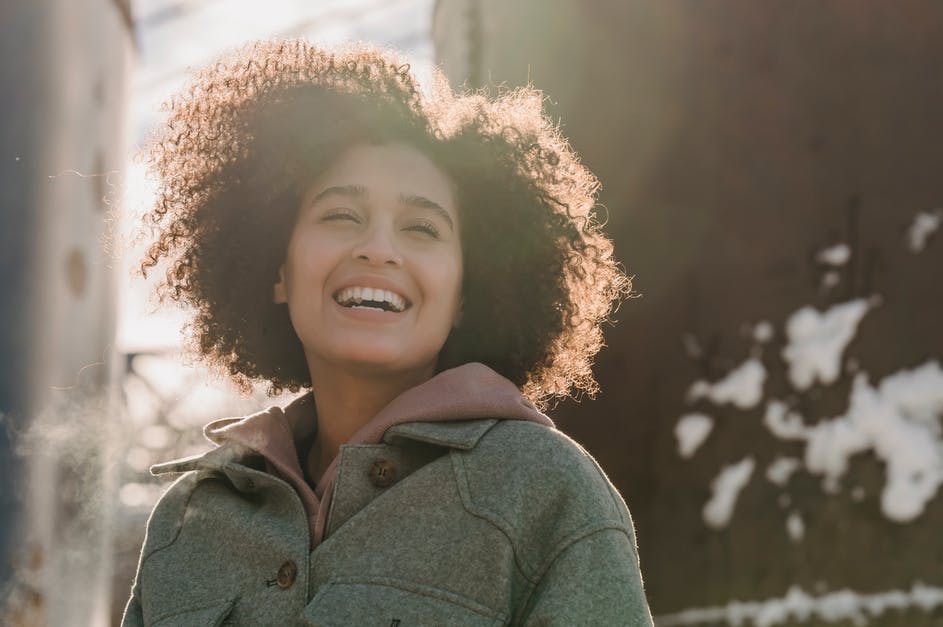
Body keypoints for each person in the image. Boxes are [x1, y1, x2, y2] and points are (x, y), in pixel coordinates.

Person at [121, 39, 649, 625]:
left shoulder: (546, 490)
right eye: (341, 215)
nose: (377, 249)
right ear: (277, 269)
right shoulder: (187, 518)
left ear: (466, 295)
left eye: (422, 228)